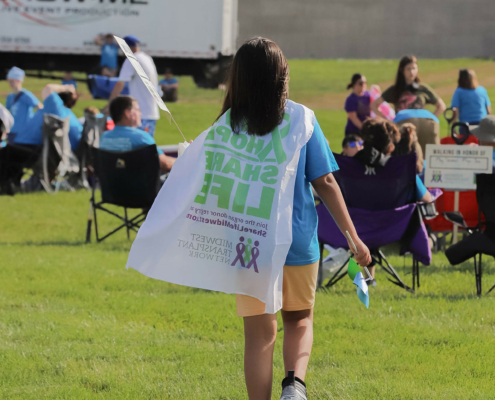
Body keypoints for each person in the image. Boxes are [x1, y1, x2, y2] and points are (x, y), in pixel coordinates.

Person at [213, 37, 371, 400]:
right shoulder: (301, 118)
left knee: (258, 337)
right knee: (299, 320)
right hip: (298, 242)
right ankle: (294, 387)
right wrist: (354, 238)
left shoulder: (227, 125)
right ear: (282, 76)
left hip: (248, 245)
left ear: (238, 77)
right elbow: (326, 182)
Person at [100, 96, 175, 173]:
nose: (140, 113)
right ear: (127, 113)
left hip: (110, 183)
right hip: (139, 184)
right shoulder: (141, 137)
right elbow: (165, 164)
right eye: (138, 110)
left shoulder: (104, 137)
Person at [108, 35, 160, 137]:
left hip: (140, 114)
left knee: (138, 149)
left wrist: (110, 104)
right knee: (146, 147)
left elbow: (120, 83)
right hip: (151, 112)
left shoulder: (132, 59)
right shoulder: (147, 58)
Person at [371, 55, 446, 118]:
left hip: (420, 129)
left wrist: (429, 120)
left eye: (414, 68)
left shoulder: (423, 88)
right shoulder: (395, 89)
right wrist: (388, 122)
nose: (412, 72)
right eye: (408, 69)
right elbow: (373, 105)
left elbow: (441, 106)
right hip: (402, 130)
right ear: (402, 70)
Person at [5, 67, 42, 137]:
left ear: (19, 81)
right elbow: (6, 113)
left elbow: (40, 108)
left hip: (25, 132)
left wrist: (34, 122)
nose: (10, 83)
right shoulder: (10, 97)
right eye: (9, 81)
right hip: (12, 131)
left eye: (12, 81)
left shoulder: (26, 95)